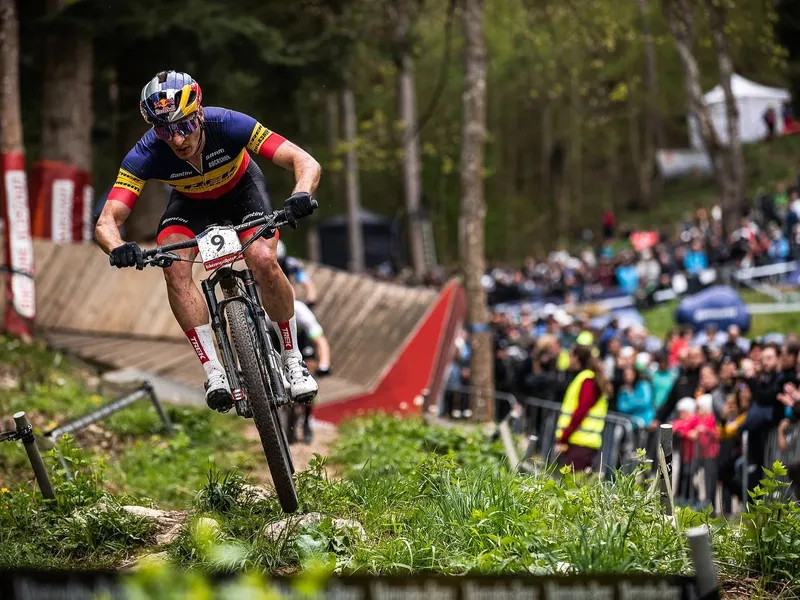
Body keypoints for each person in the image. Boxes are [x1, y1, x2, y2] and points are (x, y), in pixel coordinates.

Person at [95, 70, 320, 410]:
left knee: (262, 258)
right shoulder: (145, 153)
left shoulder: (229, 124)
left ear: (199, 113)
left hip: (243, 192)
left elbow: (303, 160)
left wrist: (300, 194)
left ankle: (292, 359)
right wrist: (118, 247)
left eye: (183, 126)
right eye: (164, 130)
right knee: (172, 267)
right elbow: (107, 220)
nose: (177, 140)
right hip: (190, 205)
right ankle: (214, 370)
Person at [280, 300, 331, 444]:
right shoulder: (265, 314)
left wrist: (324, 364)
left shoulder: (301, 312)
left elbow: (321, 341)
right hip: (276, 340)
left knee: (309, 366)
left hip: (302, 341)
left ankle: (307, 420)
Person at [276, 239, 318, 308]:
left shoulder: (289, 263)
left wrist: (311, 300)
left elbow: (306, 281)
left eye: (279, 261)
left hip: (290, 301)